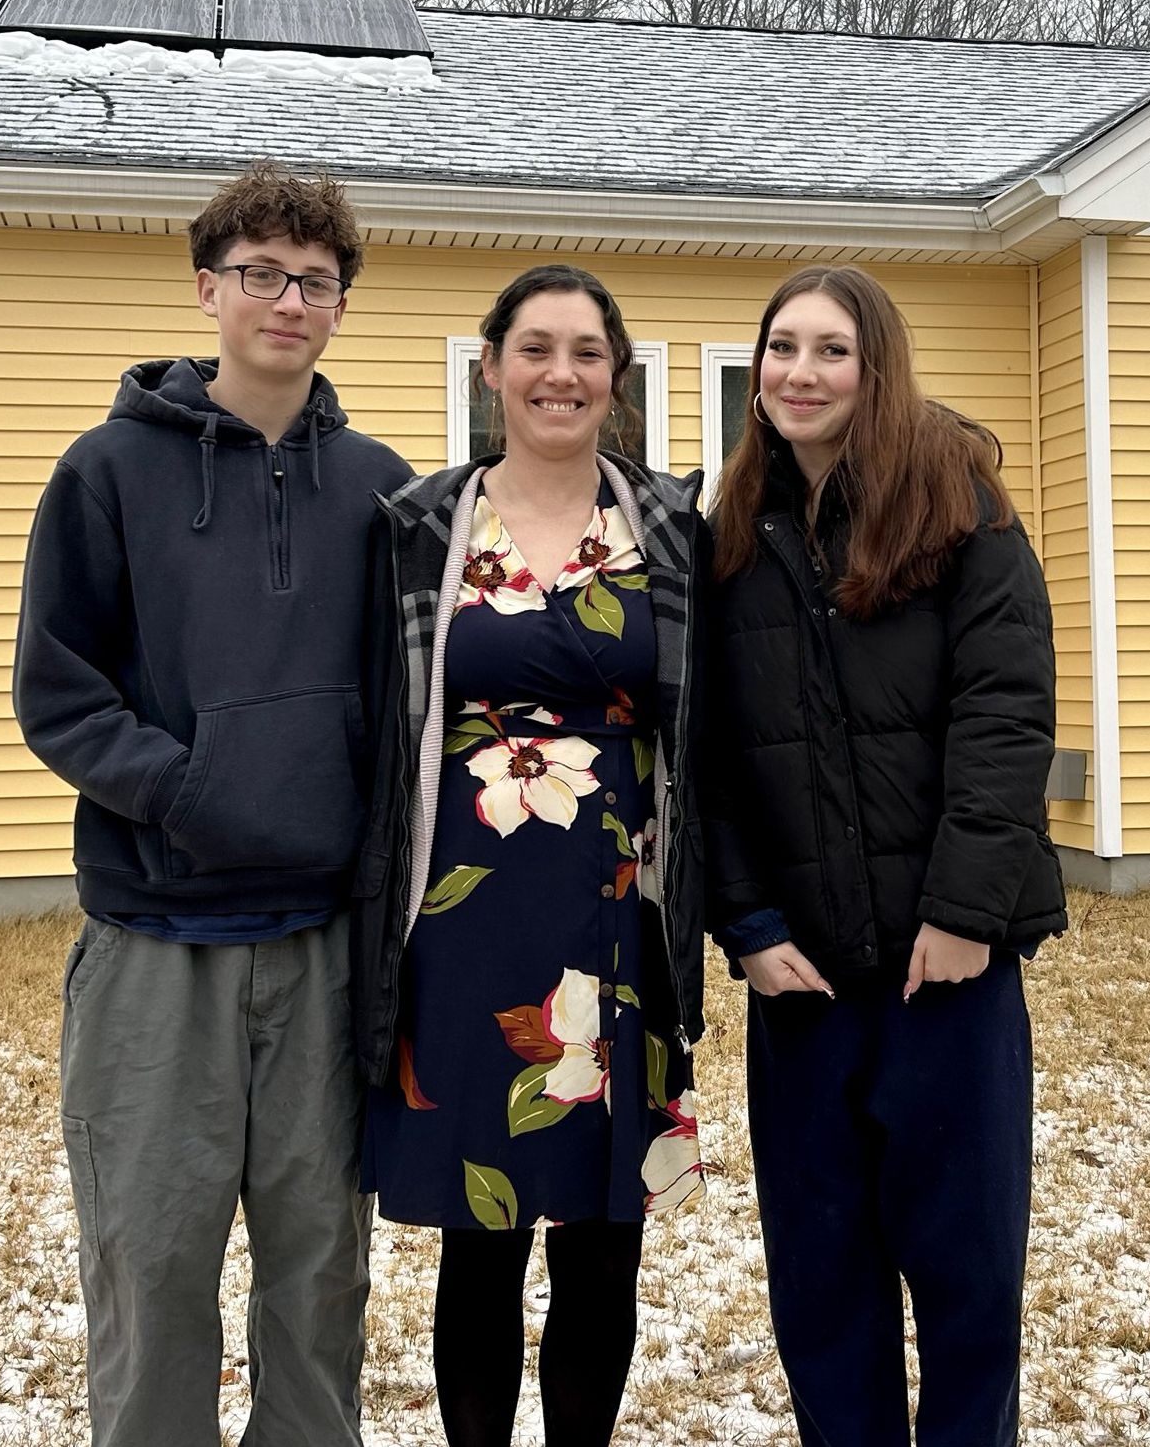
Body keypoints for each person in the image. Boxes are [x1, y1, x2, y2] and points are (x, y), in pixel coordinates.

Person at [13, 163, 410, 1447]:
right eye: (260, 274)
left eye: (315, 280)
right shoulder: (107, 472)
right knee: (152, 1272)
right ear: (208, 289)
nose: (287, 299)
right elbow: (58, 695)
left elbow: (412, 706)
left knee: (318, 1284)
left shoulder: (383, 492)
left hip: (321, 952)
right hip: (155, 949)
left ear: (340, 305)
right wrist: (191, 792)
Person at [706, 266, 1067, 1447]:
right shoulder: (729, 539)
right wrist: (749, 928)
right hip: (803, 984)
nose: (799, 373)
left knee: (965, 1286)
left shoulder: (960, 509)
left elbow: (1006, 720)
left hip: (943, 973)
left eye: (831, 350)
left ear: (877, 368)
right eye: (781, 348)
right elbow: (706, 756)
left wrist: (965, 914)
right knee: (822, 1289)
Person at [354, 265, 709, 1447]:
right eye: (536, 349)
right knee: (482, 1233)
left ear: (616, 378)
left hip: (620, 914)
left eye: (588, 353)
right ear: (493, 366)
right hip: (466, 914)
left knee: (607, 1237)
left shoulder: (665, 524)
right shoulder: (419, 525)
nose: (561, 374)